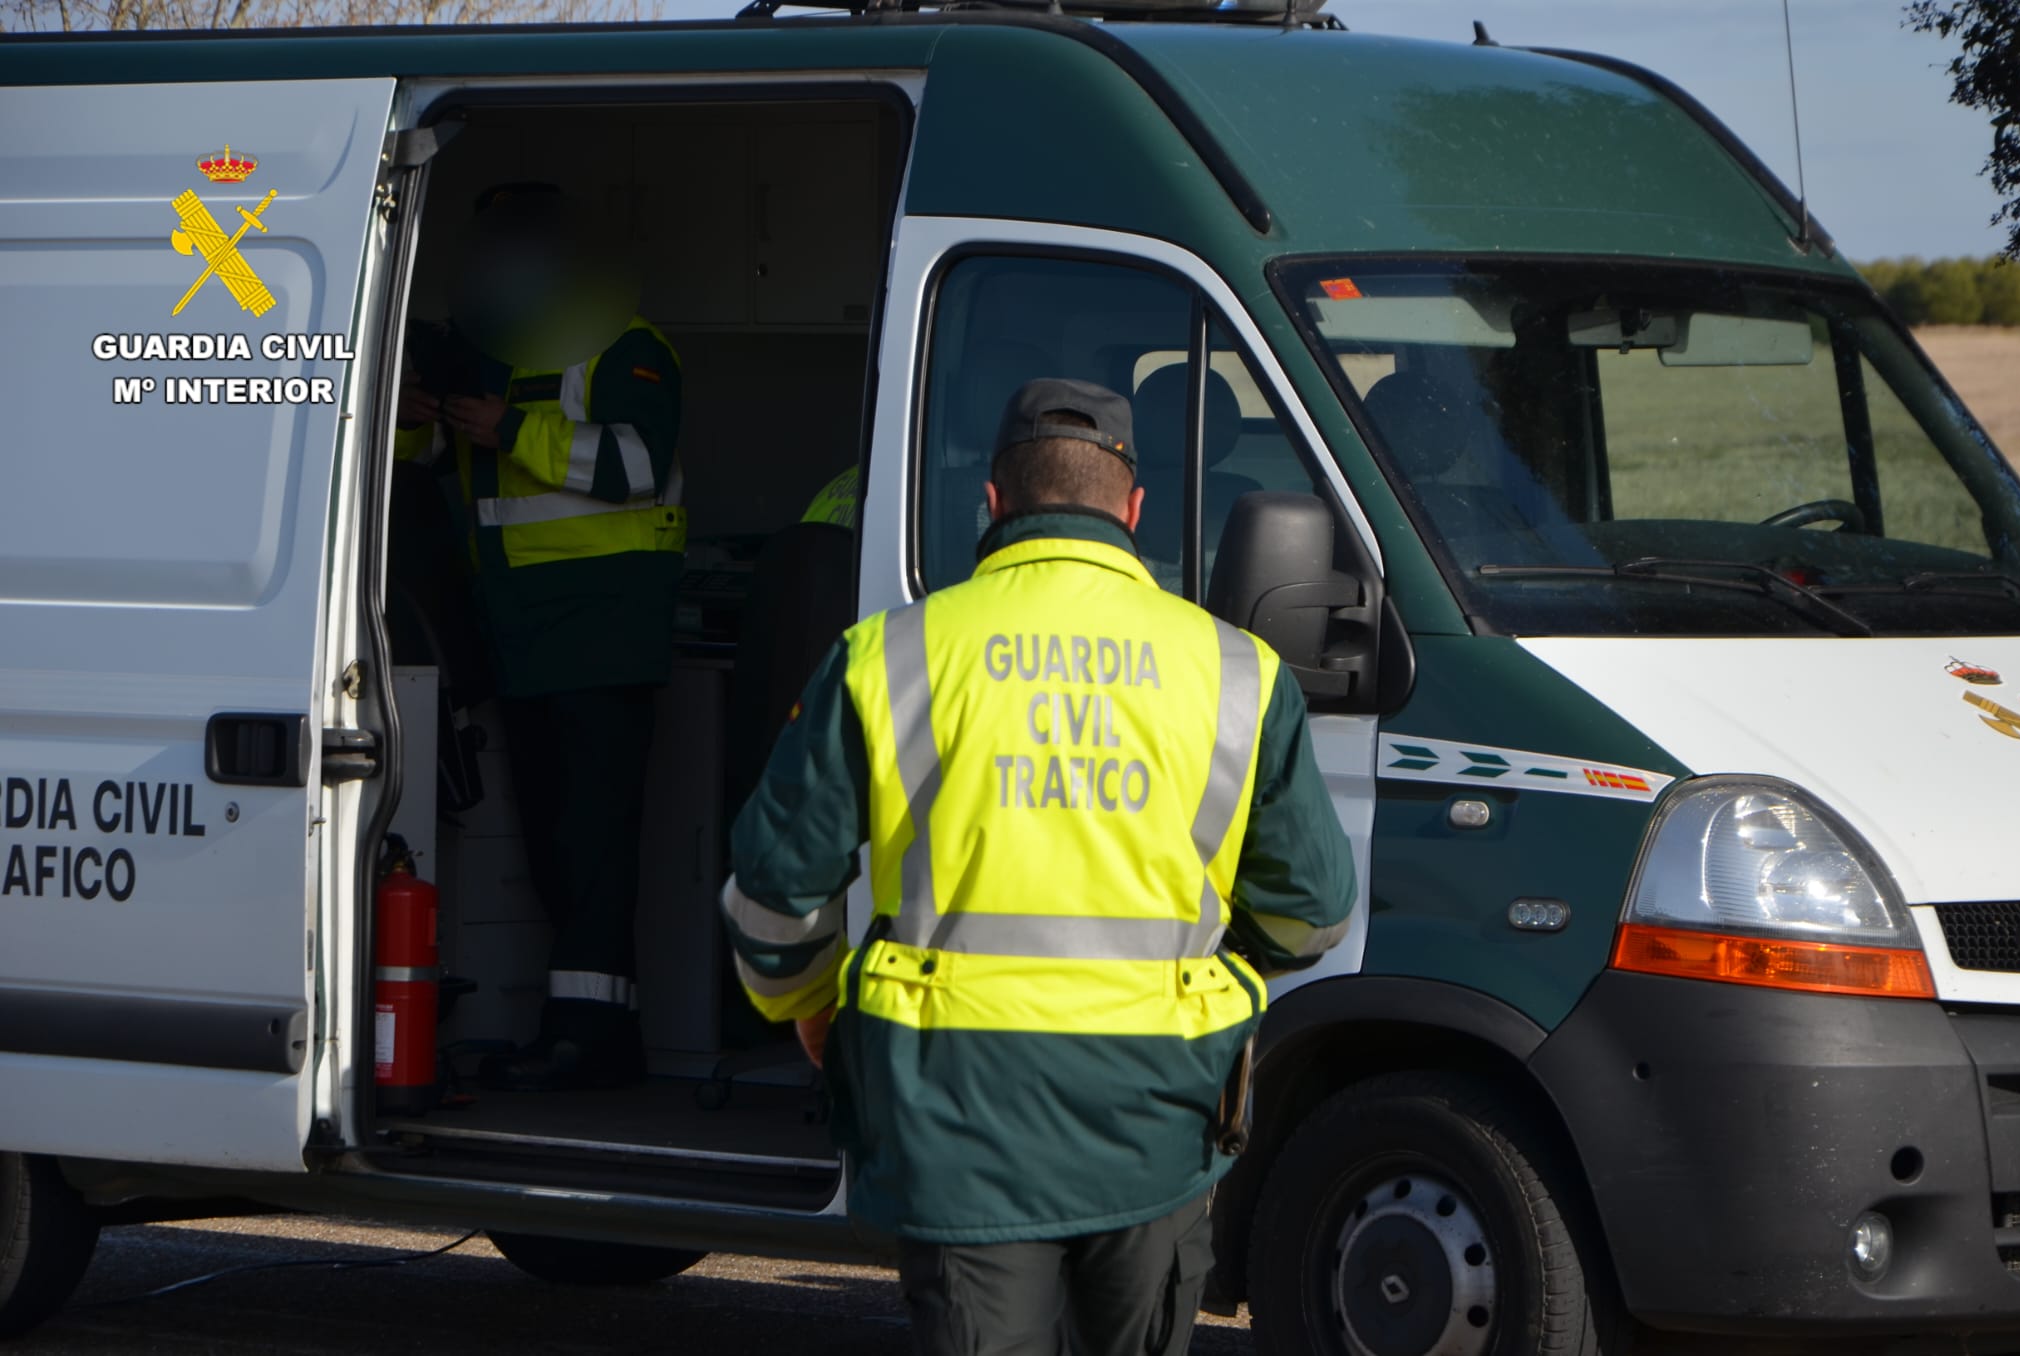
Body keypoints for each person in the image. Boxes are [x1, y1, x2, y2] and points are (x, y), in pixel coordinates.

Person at [720, 378, 1355, 1354]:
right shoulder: (1236, 672)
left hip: (956, 1117)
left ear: (994, 502)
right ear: (1133, 511)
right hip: (1158, 1115)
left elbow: (770, 894)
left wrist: (808, 1007)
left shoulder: (890, 658)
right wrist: (1212, 978)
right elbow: (1311, 915)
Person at [395, 183, 685, 1092]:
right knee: (557, 846)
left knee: (594, 847)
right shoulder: (497, 356)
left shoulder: (631, 348)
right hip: (521, 638)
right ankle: (583, 1033)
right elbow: (449, 472)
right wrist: (415, 427)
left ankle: (589, 1043)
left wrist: (511, 428)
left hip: (602, 635)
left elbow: (634, 466)